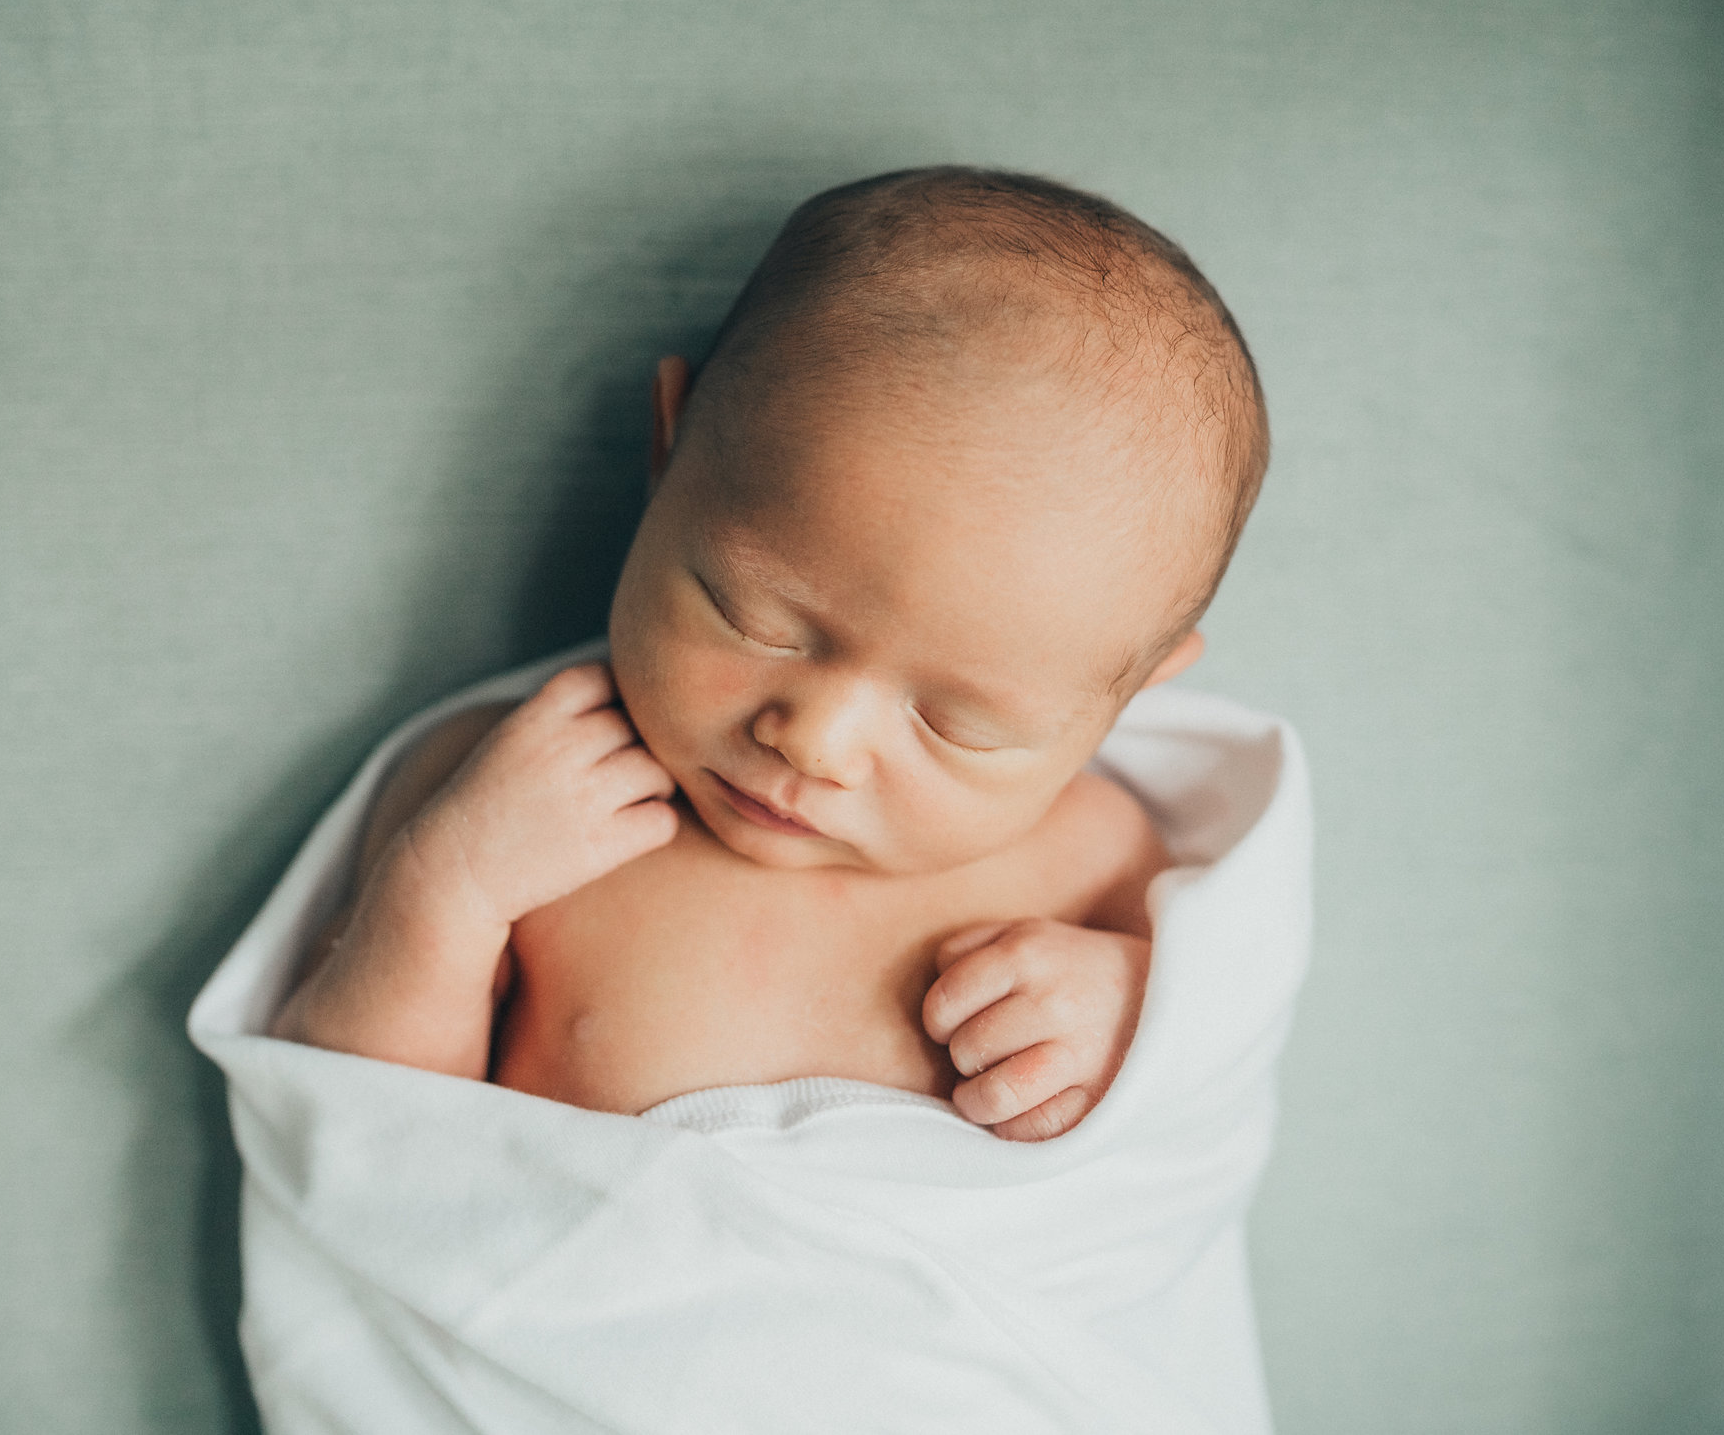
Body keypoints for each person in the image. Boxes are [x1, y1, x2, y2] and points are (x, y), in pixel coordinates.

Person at [271, 165, 1269, 1143]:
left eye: (957, 722)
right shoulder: (501, 791)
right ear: (671, 445)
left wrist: (1141, 1021)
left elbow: (1214, 1070)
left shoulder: (1100, 857)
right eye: (758, 621)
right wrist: (441, 898)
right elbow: (367, 1136)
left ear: (1127, 692)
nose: (815, 745)